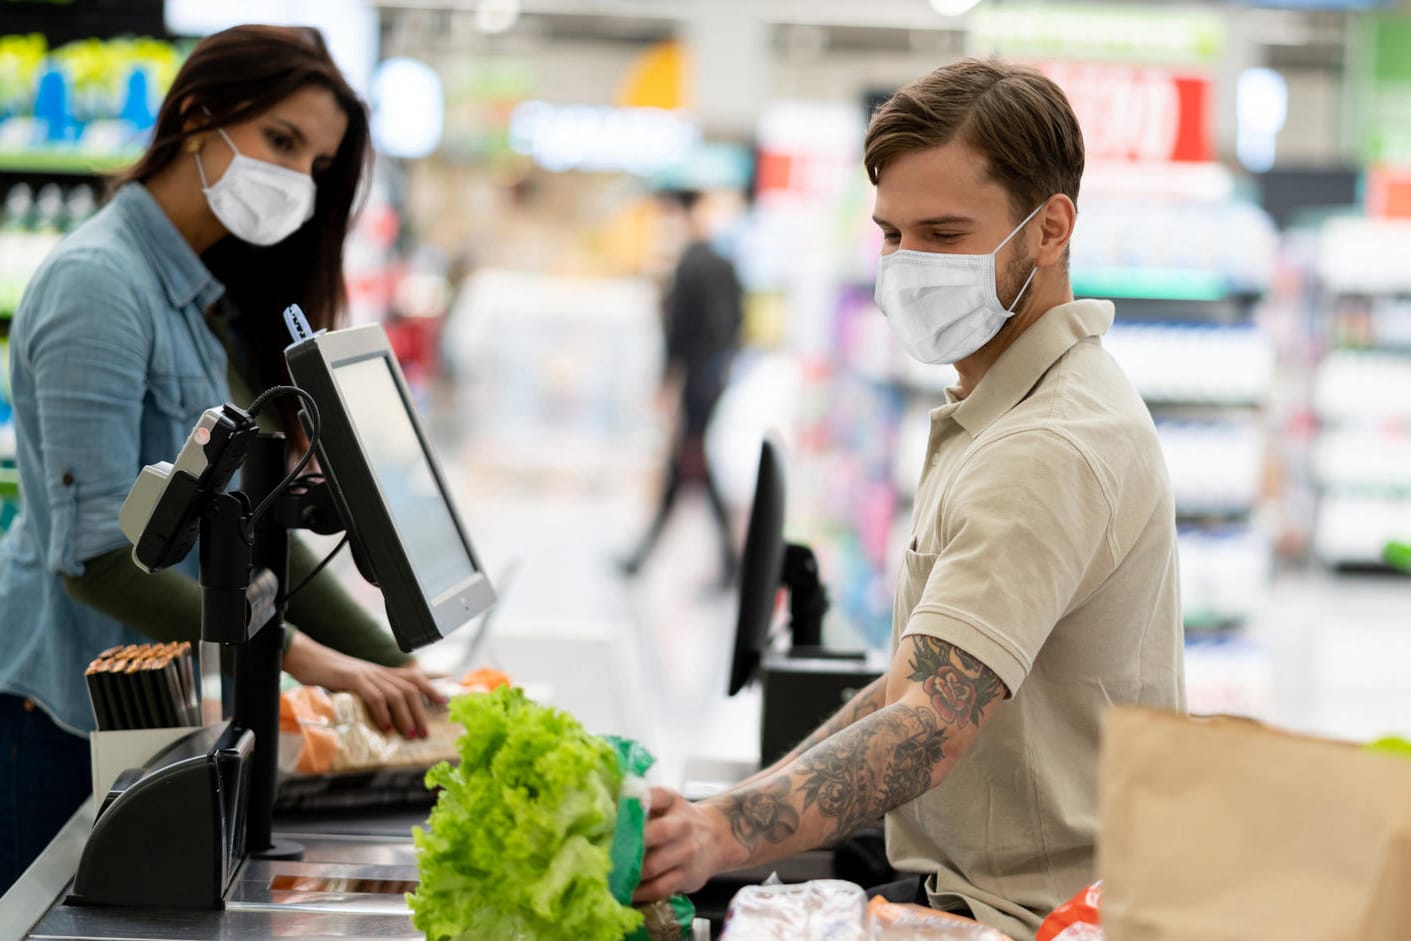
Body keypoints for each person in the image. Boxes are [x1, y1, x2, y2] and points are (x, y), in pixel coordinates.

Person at [633, 59, 1184, 941]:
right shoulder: (1012, 403)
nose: (909, 266)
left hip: (1018, 917)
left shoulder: (1045, 445)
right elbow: (908, 687)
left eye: (943, 232)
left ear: (1049, 229)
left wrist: (715, 832)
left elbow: (928, 726)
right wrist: (724, 815)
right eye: (892, 236)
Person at [0, 25, 442, 892]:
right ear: (199, 117)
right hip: (48, 718)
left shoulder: (197, 299)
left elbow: (254, 527)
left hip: (139, 711)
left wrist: (401, 670)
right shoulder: (100, 285)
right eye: (281, 140)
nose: (294, 180)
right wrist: (309, 661)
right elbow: (94, 556)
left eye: (315, 166)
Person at [619, 190, 743, 589]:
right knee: (690, 468)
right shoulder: (725, 263)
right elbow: (737, 323)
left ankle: (726, 562)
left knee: (691, 465)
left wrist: (667, 383)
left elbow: (678, 333)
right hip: (715, 380)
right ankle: (651, 557)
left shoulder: (690, 265)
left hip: (696, 383)